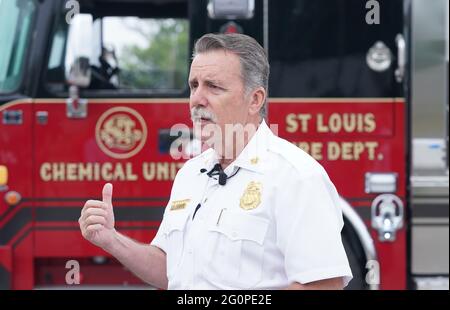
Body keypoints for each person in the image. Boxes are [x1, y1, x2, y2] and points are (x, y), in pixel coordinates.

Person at [79, 33, 353, 290]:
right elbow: (170, 269)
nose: (196, 100)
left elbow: (323, 284)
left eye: (213, 87)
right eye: (193, 86)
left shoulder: (295, 177)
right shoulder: (191, 174)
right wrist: (112, 240)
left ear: (255, 99)